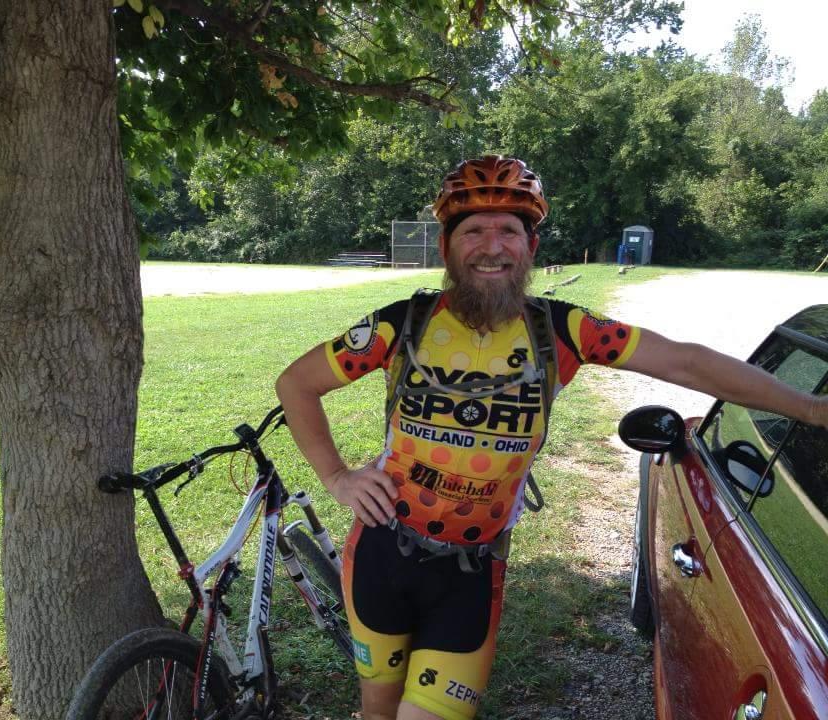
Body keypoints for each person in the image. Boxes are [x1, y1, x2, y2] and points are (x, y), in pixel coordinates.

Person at [275, 155, 828, 720]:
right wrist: (337, 477)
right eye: (473, 230)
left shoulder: (564, 331)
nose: (491, 246)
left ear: (530, 248)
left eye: (508, 230)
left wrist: (811, 407)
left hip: (471, 569)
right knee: (377, 710)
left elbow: (685, 363)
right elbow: (297, 384)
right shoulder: (403, 323)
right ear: (446, 248)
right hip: (382, 552)